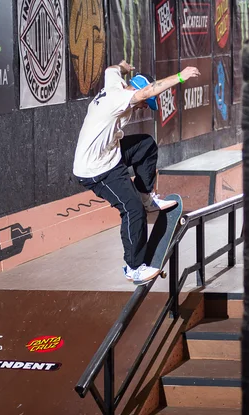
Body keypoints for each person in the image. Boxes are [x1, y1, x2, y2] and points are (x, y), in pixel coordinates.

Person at [72, 60, 201, 283]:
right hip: (96, 170)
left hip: (110, 153)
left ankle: (145, 197)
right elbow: (146, 92)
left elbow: (110, 70)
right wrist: (180, 76)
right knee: (133, 211)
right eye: (144, 104)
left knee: (146, 145)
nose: (143, 107)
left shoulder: (115, 84)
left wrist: (123, 66)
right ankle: (134, 267)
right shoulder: (120, 98)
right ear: (137, 91)